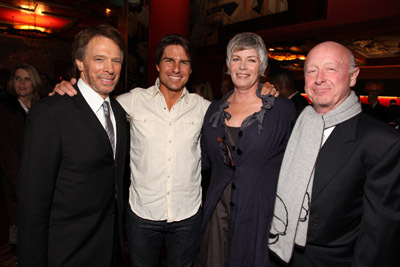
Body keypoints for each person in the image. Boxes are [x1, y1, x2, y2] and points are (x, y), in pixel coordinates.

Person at [52, 33, 278, 267]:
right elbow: (95, 105)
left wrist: (264, 87)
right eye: (169, 60)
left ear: (191, 70)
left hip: (187, 215)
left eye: (184, 62)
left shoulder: (206, 109)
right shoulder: (133, 100)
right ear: (158, 66)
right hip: (142, 215)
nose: (176, 68)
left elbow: (239, 111)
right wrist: (70, 89)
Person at [269, 41, 400, 267]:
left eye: (331, 69)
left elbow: (378, 236)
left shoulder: (381, 141)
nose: (319, 78)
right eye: (311, 70)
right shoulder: (294, 124)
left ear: (353, 76)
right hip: (279, 253)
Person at [17, 25, 129, 267]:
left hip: (110, 250)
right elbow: (32, 202)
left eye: (116, 60)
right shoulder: (50, 113)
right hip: (66, 253)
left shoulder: (119, 113)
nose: (109, 69)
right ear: (80, 62)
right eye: (99, 59)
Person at [196, 32, 295, 267]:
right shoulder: (214, 111)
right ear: (228, 65)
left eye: (251, 59)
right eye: (236, 58)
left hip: (259, 213)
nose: (242, 66)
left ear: (262, 66)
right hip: (217, 213)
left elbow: (293, 166)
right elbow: (204, 161)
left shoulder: (281, 110)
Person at [0, 63, 41, 248]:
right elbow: (7, 153)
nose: (22, 83)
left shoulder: (41, 108)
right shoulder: (6, 110)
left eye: (26, 79)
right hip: (17, 183)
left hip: (38, 178)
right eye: (18, 78)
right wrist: (21, 186)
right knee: (20, 237)